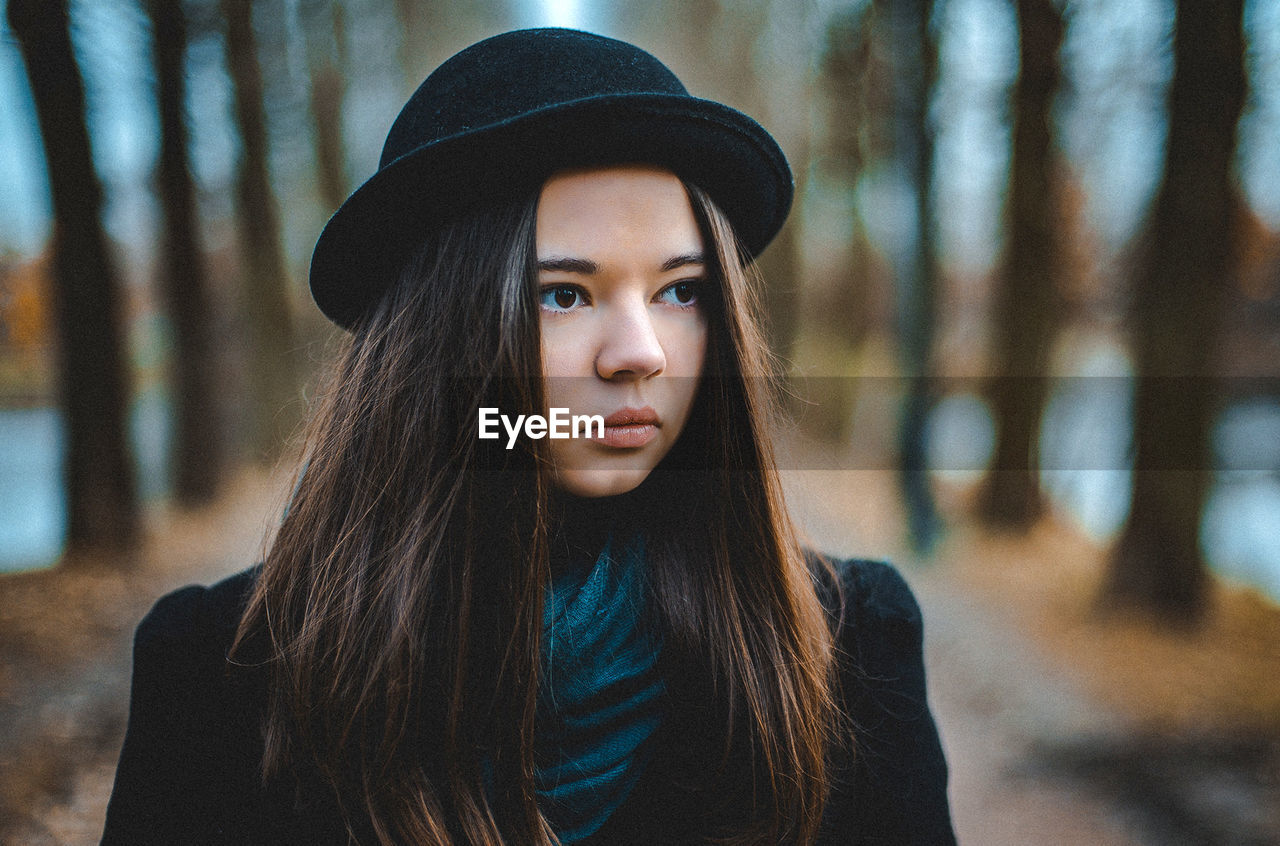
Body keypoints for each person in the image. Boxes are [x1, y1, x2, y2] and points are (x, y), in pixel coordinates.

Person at [102, 28, 955, 845]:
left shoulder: (848, 653)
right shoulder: (220, 679)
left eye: (681, 290)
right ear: (433, 339)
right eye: (565, 295)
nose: (640, 354)